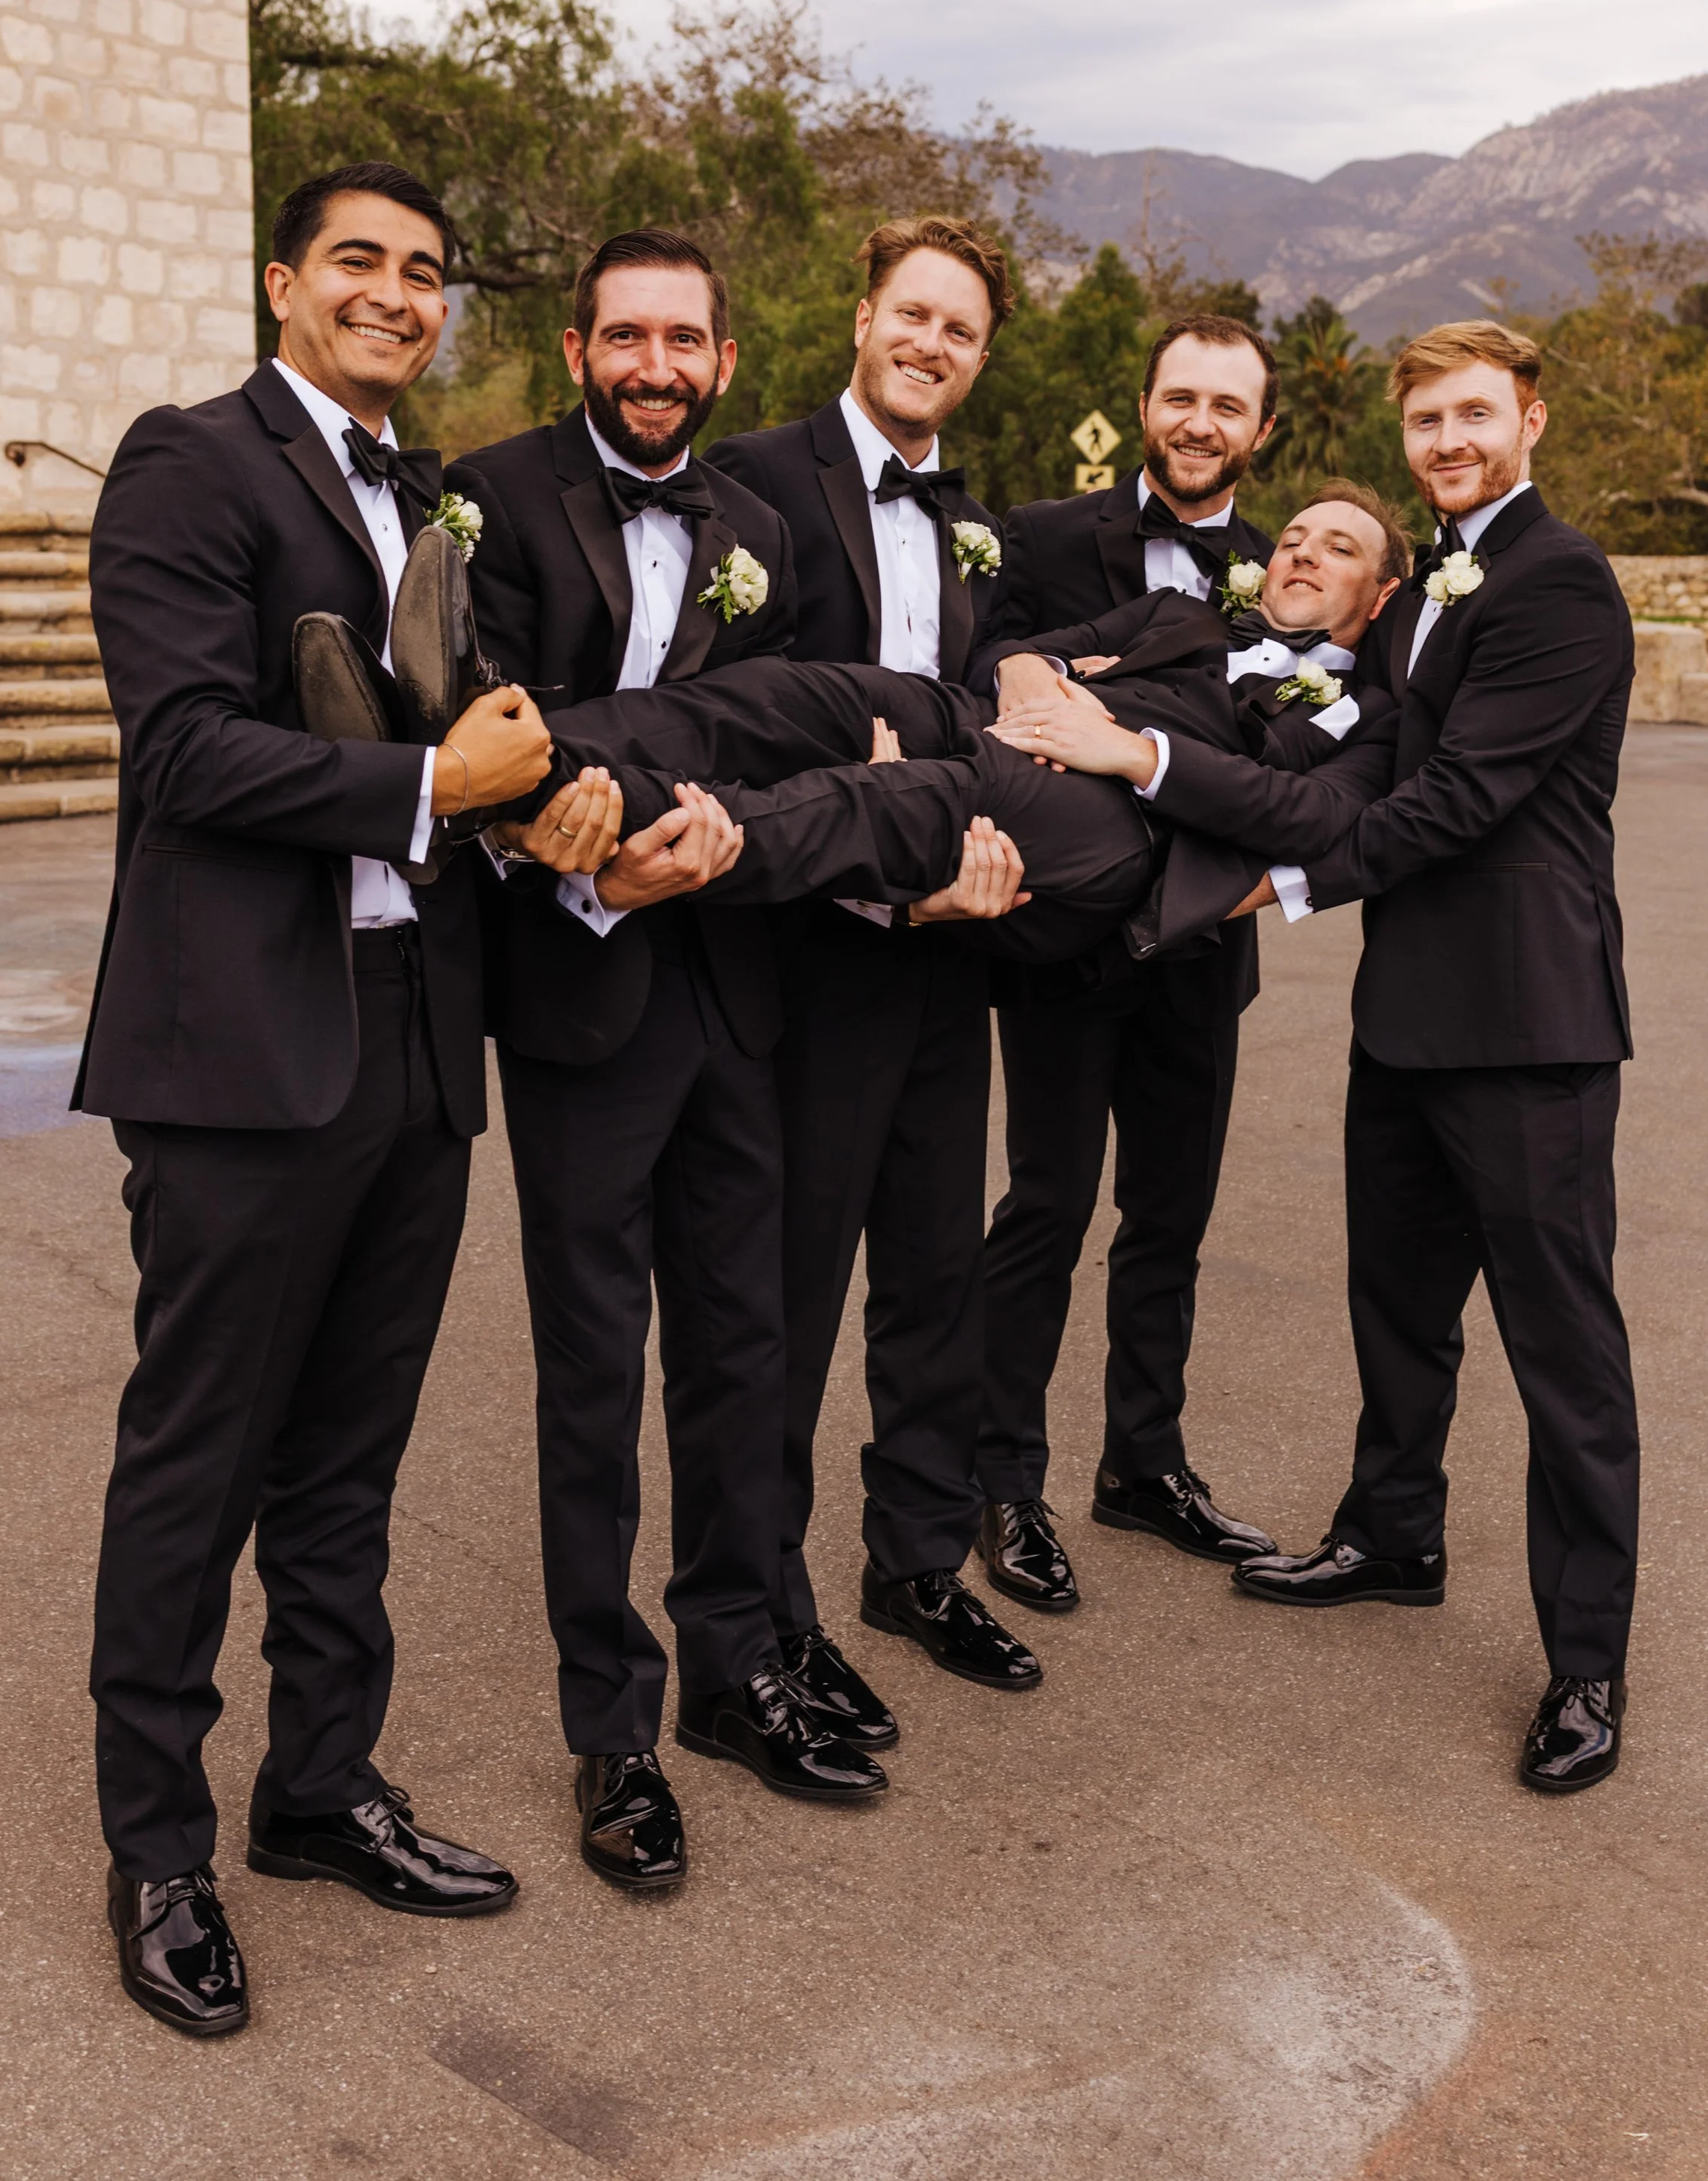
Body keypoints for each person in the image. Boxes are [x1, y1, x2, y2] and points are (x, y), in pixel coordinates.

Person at [78, 161, 554, 2037]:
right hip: (247, 1047)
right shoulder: (187, 460)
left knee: (347, 1462)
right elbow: (184, 744)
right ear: (283, 280)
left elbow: (494, 726)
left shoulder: (430, 493)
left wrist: (547, 796)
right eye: (357, 260)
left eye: (423, 272)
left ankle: (318, 1784)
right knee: (197, 1458)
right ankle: (157, 1845)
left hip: (412, 1028)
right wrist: (439, 784)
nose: (394, 292)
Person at [445, 229, 887, 1904]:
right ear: (576, 351)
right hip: (577, 992)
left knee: (740, 1349)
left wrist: (725, 837)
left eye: (682, 341)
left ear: (720, 356)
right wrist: (580, 864)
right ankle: (610, 1729)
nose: (653, 365)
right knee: (588, 1381)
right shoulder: (485, 501)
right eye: (623, 337)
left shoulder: (762, 531)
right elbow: (473, 733)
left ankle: (728, 1676)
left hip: (738, 989)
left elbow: (786, 722)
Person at [1143, 324, 1639, 1796]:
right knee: (1398, 1302)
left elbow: (1461, 798)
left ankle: (1586, 1664)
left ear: (1526, 420)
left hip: (1530, 1023)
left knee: (1564, 1353)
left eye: (1472, 415)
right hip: (1404, 1019)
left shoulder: (1557, 585)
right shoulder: (1420, 585)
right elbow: (1358, 752)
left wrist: (1277, 885)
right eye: (1425, 419)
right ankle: (1391, 1531)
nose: (1446, 441)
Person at [705, 219, 1037, 1721]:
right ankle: (760, 1619)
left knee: (930, 1277)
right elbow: (720, 703)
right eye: (913, 315)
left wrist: (965, 856)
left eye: (959, 329)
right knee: (785, 1298)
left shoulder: (976, 521)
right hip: (801, 958)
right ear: (861, 318)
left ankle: (912, 1562)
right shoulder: (758, 482)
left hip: (939, 952)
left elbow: (977, 723)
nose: (932, 344)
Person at [499, 487, 1407, 974]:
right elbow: (1019, 655)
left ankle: (609, 812)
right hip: (1002, 724)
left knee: (886, 799)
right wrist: (1049, 683)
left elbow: (1312, 820)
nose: (1301, 552)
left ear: (1381, 595)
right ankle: (519, 757)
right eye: (1294, 535)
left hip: (1119, 828)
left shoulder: (1366, 714)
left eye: (1337, 548)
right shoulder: (1180, 613)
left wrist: (1129, 754)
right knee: (804, 696)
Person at [969, 314, 1284, 1611]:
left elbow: (1289, 762)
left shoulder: (1284, 568)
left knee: (1171, 1216)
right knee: (1044, 1208)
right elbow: (991, 686)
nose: (1200, 422)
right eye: (1181, 397)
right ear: (1144, 405)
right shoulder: (1041, 539)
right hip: (1064, 939)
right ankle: (1002, 1480)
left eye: (1228, 405)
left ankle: (1143, 1466)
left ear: (1261, 433)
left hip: (1205, 943)